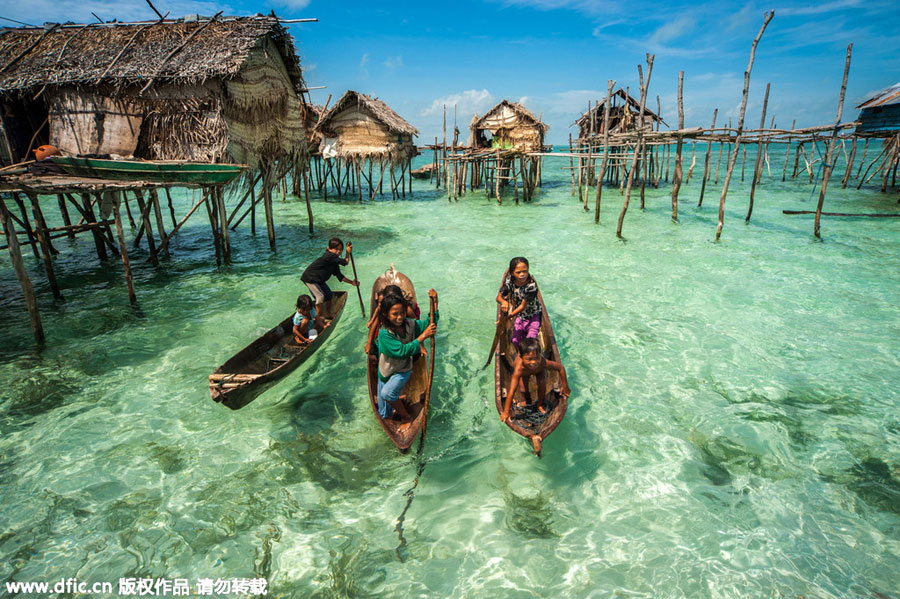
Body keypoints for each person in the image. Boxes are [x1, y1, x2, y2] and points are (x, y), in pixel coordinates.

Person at [376, 289, 438, 431]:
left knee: (387, 394)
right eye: (395, 314)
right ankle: (399, 399)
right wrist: (423, 337)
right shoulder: (384, 333)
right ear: (386, 314)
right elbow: (401, 351)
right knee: (384, 414)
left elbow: (429, 324)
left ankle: (406, 417)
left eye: (402, 313)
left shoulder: (410, 324)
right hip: (385, 372)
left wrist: (435, 303)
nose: (400, 317)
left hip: (402, 370)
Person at [500, 337, 570, 424]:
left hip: (539, 371)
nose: (533, 362)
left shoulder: (542, 362)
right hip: (524, 373)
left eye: (536, 358)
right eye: (529, 359)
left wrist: (565, 386)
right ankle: (528, 401)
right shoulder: (519, 369)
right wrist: (506, 412)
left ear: (540, 355)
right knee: (523, 389)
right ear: (521, 357)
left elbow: (561, 368)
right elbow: (511, 391)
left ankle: (540, 404)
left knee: (542, 384)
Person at [301, 237, 360, 319]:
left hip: (319, 280)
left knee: (329, 295)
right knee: (320, 297)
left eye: (340, 249)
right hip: (310, 278)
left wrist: (352, 282)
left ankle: (327, 313)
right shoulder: (329, 256)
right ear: (329, 248)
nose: (338, 251)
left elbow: (340, 276)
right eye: (336, 249)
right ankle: (318, 318)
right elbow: (346, 262)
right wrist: (348, 253)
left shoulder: (334, 261)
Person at [496, 257, 541, 346]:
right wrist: (503, 302)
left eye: (525, 271)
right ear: (512, 273)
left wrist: (507, 317)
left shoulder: (531, 286)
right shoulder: (510, 280)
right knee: (515, 341)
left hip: (533, 315)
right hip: (520, 315)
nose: (522, 275)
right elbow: (498, 297)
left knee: (530, 342)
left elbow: (522, 306)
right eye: (518, 272)